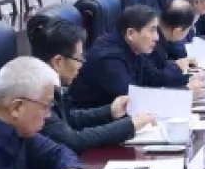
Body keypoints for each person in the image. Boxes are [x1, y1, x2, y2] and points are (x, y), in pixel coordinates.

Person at [31, 16, 157, 152]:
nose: (81, 65)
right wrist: (129, 126)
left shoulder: (51, 85)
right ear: (58, 62)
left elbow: (68, 118)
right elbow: (72, 140)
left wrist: (110, 111)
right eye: (79, 58)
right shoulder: (37, 97)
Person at [69, 4, 198, 109]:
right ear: (131, 33)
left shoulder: (133, 48)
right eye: (152, 30)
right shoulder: (109, 60)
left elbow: (153, 78)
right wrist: (185, 92)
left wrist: (189, 78)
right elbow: (134, 101)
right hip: (91, 125)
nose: (157, 37)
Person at [156, 0, 199, 70]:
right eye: (188, 29)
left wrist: (178, 63)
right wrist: (177, 67)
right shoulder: (152, 45)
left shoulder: (158, 32)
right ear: (177, 31)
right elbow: (157, 70)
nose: (188, 33)